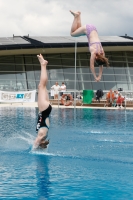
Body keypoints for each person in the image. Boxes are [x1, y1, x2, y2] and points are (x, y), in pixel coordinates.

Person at [70, 10, 109, 82]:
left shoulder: (102, 52)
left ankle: (78, 15)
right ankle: (76, 16)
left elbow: (101, 65)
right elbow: (91, 66)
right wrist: (95, 77)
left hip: (93, 28)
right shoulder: (94, 52)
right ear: (96, 58)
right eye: (95, 60)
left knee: (79, 31)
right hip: (88, 29)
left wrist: (99, 76)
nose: (94, 59)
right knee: (72, 33)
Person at [33, 54, 52, 149]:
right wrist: (33, 149)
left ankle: (44, 65)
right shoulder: (41, 135)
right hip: (44, 110)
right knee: (41, 86)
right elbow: (36, 142)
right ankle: (43, 65)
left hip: (47, 110)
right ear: (41, 143)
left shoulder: (44, 135)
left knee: (42, 86)